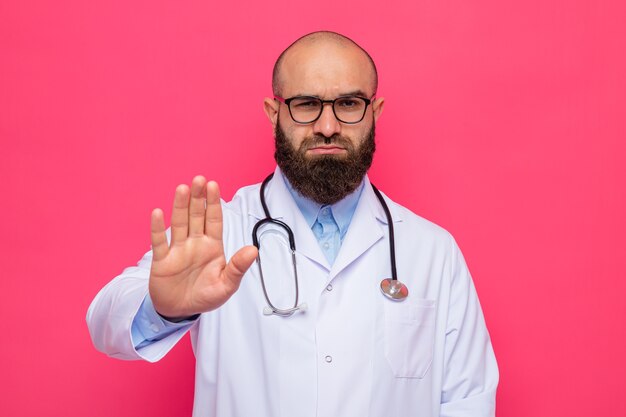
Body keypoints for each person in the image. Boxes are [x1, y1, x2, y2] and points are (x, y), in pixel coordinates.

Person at [87, 31, 498, 417]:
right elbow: (105, 324)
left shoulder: (432, 251)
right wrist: (165, 310)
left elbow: (468, 401)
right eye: (306, 104)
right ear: (274, 112)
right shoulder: (219, 232)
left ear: (375, 111)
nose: (327, 126)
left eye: (349, 104)